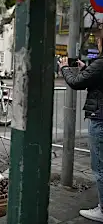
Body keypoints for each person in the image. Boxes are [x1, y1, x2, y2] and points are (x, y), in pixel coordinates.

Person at [60, 40, 103, 223]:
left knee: (99, 167)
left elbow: (76, 82)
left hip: (99, 118)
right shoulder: (98, 65)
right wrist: (86, 68)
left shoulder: (101, 63)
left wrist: (64, 68)